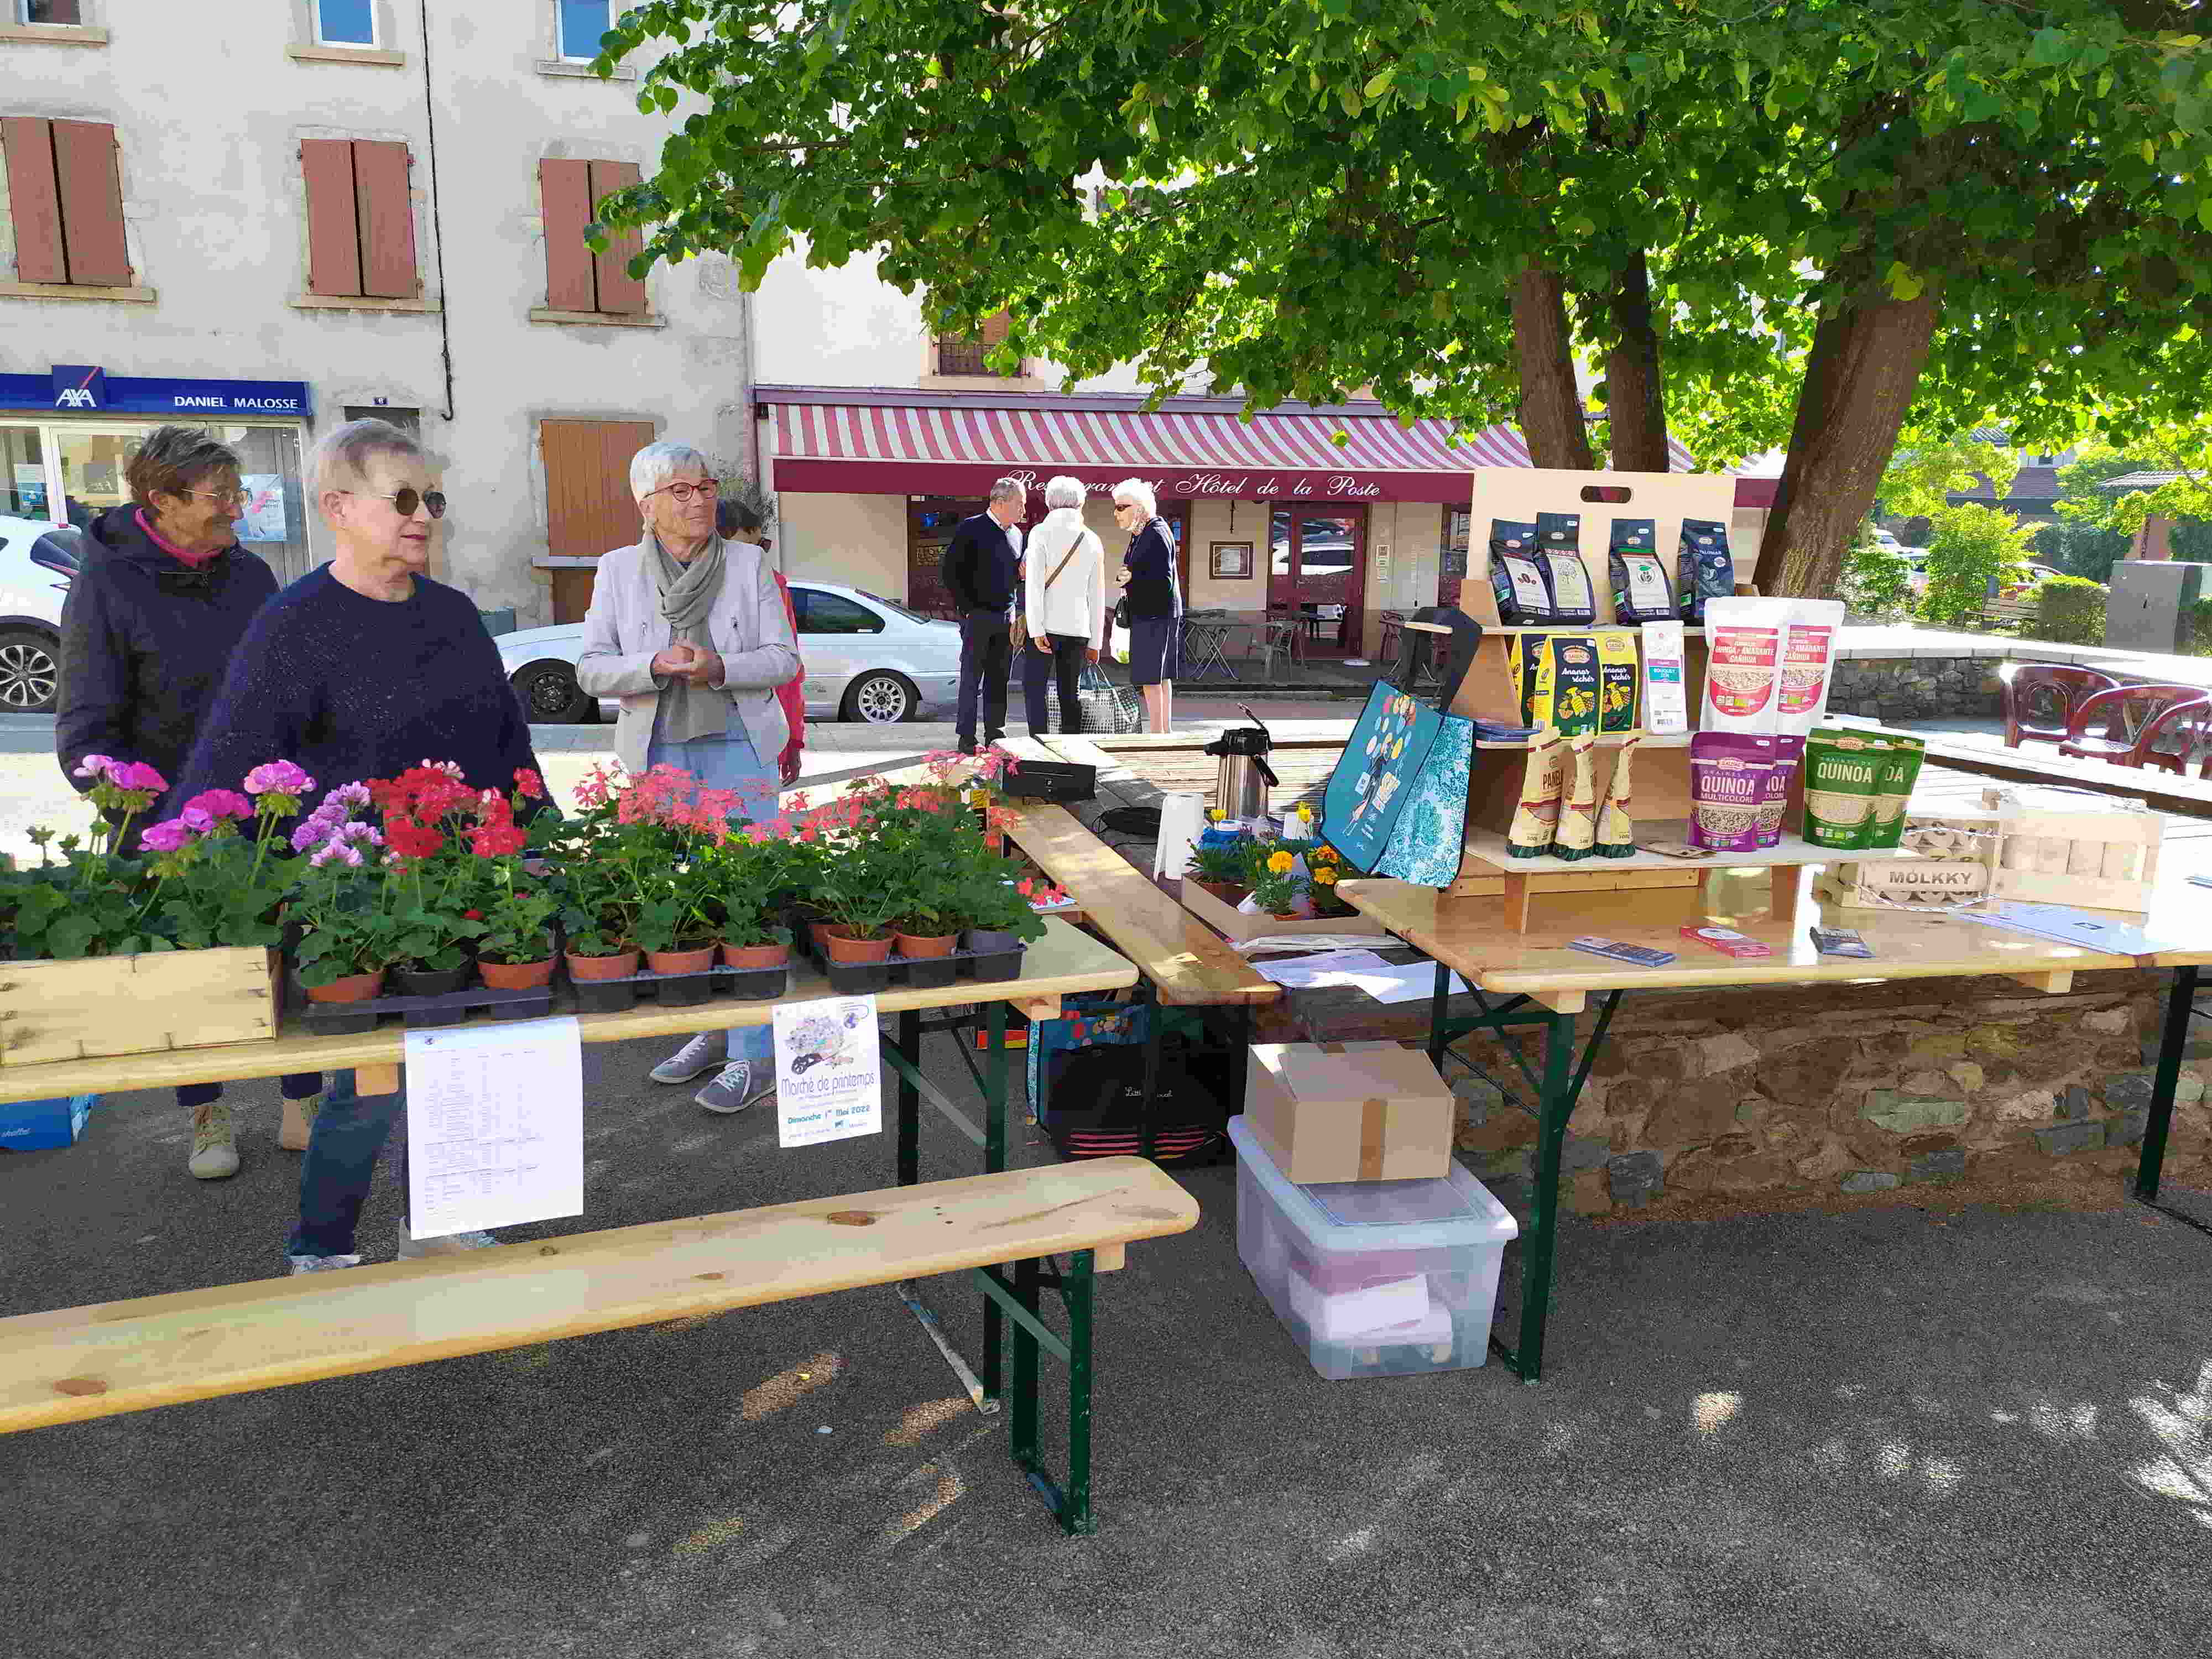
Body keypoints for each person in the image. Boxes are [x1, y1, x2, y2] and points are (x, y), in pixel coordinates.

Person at [172, 418, 547, 1274]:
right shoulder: (292, 624)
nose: (423, 517)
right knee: (368, 1081)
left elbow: (507, 743)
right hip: (353, 898)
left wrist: (537, 836)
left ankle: (446, 1218)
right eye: (404, 499)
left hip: (462, 884)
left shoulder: (454, 617)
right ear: (338, 506)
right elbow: (229, 766)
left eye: (433, 501)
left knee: (464, 1066)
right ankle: (322, 1249)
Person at [54, 426, 324, 1182]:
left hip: (261, 810)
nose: (237, 511)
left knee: (285, 954)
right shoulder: (107, 582)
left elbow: (289, 683)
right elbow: (85, 727)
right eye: (219, 498)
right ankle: (207, 1112)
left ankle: (301, 1093)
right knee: (189, 971)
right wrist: (143, 814)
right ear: (163, 499)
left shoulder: (248, 576)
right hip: (168, 820)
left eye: (237, 494)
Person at [577, 444, 799, 1115]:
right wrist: (654, 664)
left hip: (739, 743)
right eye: (679, 490)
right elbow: (590, 669)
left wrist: (718, 667)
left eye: (704, 486)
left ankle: (754, 1055)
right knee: (684, 897)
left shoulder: (748, 562)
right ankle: (712, 1029)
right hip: (658, 751)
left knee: (749, 898)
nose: (699, 499)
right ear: (645, 505)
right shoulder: (616, 570)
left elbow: (784, 660)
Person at [718, 493, 806, 787]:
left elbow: (790, 675)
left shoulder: (775, 588)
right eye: (754, 547)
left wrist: (793, 740)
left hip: (759, 738)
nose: (760, 557)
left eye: (763, 547)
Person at [941, 478, 1025, 754]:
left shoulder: (1016, 535)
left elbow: (1012, 576)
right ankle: (966, 736)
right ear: (1000, 503)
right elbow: (951, 573)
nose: (1023, 511)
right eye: (1019, 504)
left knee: (999, 679)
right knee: (971, 679)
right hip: (977, 616)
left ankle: (995, 734)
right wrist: (966, 610)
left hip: (1006, 617)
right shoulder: (972, 528)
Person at [1020, 474, 1107, 738]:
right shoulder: (1092, 539)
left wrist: (1036, 630)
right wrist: (1096, 643)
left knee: (1035, 689)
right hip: (1078, 628)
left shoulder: (1040, 533)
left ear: (1049, 504)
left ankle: (1039, 744)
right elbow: (1097, 593)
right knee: (1071, 692)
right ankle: (1072, 750)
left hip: (1044, 626)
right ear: (1080, 504)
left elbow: (1033, 585)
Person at [1113, 478, 1182, 733]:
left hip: (1154, 615)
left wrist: (1133, 578)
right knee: (1159, 676)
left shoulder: (1154, 533)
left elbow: (1163, 581)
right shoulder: (1144, 532)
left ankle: (1157, 735)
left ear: (1139, 508)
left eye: (1122, 507)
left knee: (1151, 677)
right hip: (1156, 613)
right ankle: (1163, 733)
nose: (1116, 513)